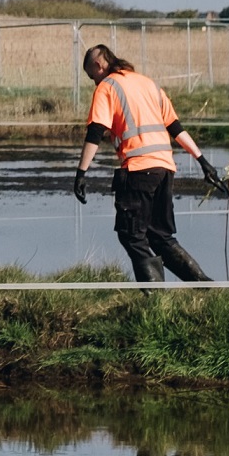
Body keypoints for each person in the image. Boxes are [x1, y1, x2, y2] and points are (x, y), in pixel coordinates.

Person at [73, 43, 211, 283]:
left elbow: (96, 131)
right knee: (160, 237)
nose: (93, 82)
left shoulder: (107, 86)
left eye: (91, 76)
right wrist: (202, 160)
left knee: (132, 235)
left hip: (138, 170)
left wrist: (81, 173)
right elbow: (176, 128)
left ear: (99, 65)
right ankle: (204, 286)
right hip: (165, 169)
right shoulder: (148, 83)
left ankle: (154, 298)